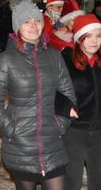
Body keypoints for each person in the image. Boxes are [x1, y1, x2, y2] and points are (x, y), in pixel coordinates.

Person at [0, 0, 77, 190]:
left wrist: (60, 124)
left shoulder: (54, 56)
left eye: (36, 21)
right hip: (20, 145)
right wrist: (10, 130)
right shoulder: (7, 59)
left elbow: (68, 94)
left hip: (51, 143)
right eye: (26, 22)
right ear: (17, 27)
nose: (33, 26)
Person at [55, 14, 101, 190]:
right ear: (78, 38)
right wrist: (65, 106)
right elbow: (51, 90)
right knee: (71, 181)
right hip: (74, 131)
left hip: (99, 132)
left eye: (98, 36)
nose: (94, 41)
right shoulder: (65, 60)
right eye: (88, 36)